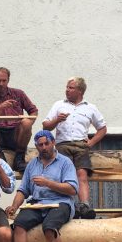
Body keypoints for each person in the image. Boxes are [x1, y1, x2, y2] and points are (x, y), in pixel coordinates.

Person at [5, 130, 78, 242]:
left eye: (46, 143)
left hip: (60, 203)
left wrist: (48, 183)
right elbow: (23, 190)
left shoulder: (65, 162)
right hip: (37, 204)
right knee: (19, 225)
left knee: (50, 227)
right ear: (36, 146)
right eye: (40, 145)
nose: (44, 147)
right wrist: (14, 206)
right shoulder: (32, 164)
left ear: (53, 143)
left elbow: (72, 189)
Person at [43, 77, 107, 218]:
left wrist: (91, 143)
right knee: (64, 176)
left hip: (81, 145)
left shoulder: (90, 107)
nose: (67, 90)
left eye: (71, 88)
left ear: (80, 91)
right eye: (67, 87)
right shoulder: (59, 105)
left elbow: (102, 129)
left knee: (81, 175)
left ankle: (84, 205)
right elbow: (46, 126)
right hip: (62, 144)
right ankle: (66, 204)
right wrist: (57, 120)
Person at [0, 67, 38, 172]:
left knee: (26, 122)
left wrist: (27, 124)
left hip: (15, 134)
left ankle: (19, 159)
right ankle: (0, 156)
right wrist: (1, 107)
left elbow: (34, 111)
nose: (1, 84)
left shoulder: (19, 94)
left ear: (8, 80)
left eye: (4, 80)